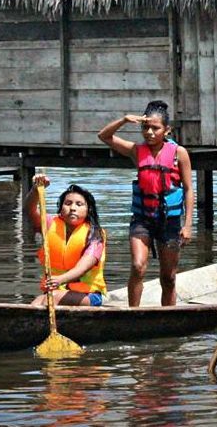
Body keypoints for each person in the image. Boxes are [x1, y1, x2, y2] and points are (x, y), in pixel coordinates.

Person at [97, 100, 194, 307]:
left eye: (155, 128)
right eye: (145, 127)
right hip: (142, 219)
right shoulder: (136, 150)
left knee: (168, 278)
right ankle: (133, 314)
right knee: (138, 266)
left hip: (170, 221)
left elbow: (188, 189)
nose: (149, 132)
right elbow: (104, 136)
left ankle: (168, 318)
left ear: (166, 130)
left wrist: (187, 225)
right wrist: (123, 120)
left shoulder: (179, 153)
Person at [24, 175, 107, 306]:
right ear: (61, 209)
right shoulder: (50, 225)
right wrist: (36, 189)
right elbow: (29, 210)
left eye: (79, 204)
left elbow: (82, 268)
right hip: (55, 292)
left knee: (52, 297)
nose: (73, 208)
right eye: (68, 203)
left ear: (88, 210)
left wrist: (59, 280)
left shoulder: (95, 234)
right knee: (37, 302)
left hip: (89, 295)